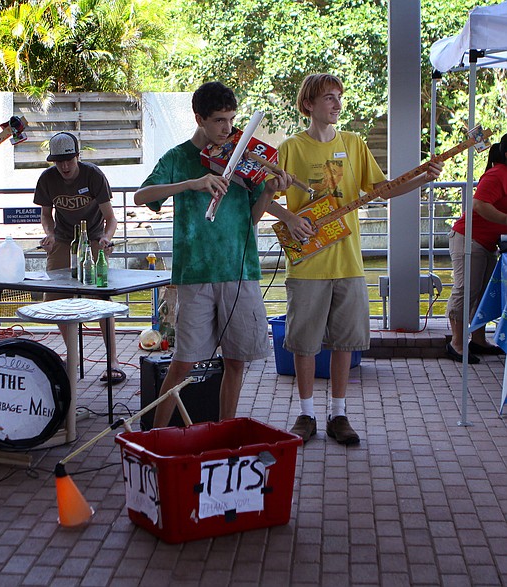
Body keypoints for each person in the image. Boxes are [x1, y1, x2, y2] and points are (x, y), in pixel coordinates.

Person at [267, 73, 442, 445]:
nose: (337, 104)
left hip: (349, 262)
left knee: (345, 341)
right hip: (307, 263)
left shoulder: (354, 143)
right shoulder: (290, 148)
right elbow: (263, 196)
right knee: (304, 343)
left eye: (338, 96)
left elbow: (383, 191)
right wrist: (290, 218)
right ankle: (306, 414)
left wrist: (422, 179)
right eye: (328, 97)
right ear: (308, 104)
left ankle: (339, 414)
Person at [133, 81, 294, 428]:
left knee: (236, 360)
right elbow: (142, 196)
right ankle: (157, 434)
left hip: (240, 270)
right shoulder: (178, 157)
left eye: (232, 120)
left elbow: (252, 219)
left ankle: (225, 432)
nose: (228, 129)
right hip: (195, 272)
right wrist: (193, 183)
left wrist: (268, 190)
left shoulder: (241, 157)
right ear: (199, 119)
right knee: (183, 362)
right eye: (219, 120)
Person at [34, 131, 124, 383]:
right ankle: (73, 354)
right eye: (59, 161)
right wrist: (49, 234)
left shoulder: (93, 175)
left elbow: (111, 218)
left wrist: (106, 238)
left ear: (77, 157)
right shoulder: (47, 179)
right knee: (54, 297)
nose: (64, 166)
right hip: (63, 239)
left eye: (69, 160)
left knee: (102, 297)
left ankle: (113, 360)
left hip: (93, 237)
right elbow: (46, 215)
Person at [445, 134, 507, 364]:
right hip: (469, 239)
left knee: (482, 292)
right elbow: (479, 205)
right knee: (466, 290)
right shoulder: (497, 174)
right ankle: (457, 343)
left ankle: (478, 340)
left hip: (488, 242)